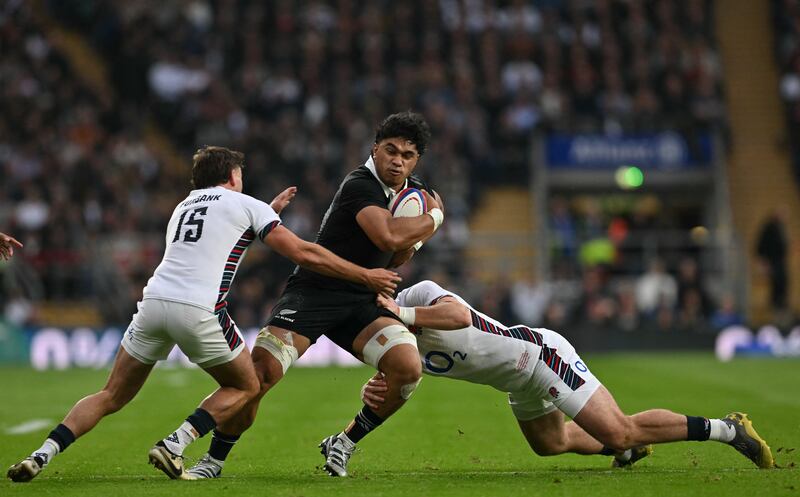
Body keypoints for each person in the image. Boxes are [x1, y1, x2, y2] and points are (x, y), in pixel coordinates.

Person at [7, 146, 401, 482]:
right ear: (232, 175)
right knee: (248, 386)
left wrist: (265, 211)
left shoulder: (184, 206)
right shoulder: (245, 204)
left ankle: (41, 454)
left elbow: (219, 238)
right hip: (199, 310)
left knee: (111, 394)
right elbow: (304, 253)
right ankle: (174, 443)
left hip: (153, 304)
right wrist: (365, 274)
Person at [187, 111, 445, 479]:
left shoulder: (411, 193)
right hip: (314, 292)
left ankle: (344, 441)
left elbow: (398, 254)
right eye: (390, 150)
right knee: (261, 375)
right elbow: (387, 237)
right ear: (375, 149)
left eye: (407, 155)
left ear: (417, 159)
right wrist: (434, 221)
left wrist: (417, 236)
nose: (397, 160)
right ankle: (212, 460)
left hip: (362, 301)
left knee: (407, 369)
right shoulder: (360, 183)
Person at [343, 279, 775, 473]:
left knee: (620, 429)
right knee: (552, 444)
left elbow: (458, 315)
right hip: (515, 382)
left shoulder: (415, 297)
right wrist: (379, 383)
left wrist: (401, 310)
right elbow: (405, 376)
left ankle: (726, 429)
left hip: (540, 355)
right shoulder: (390, 341)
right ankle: (627, 453)